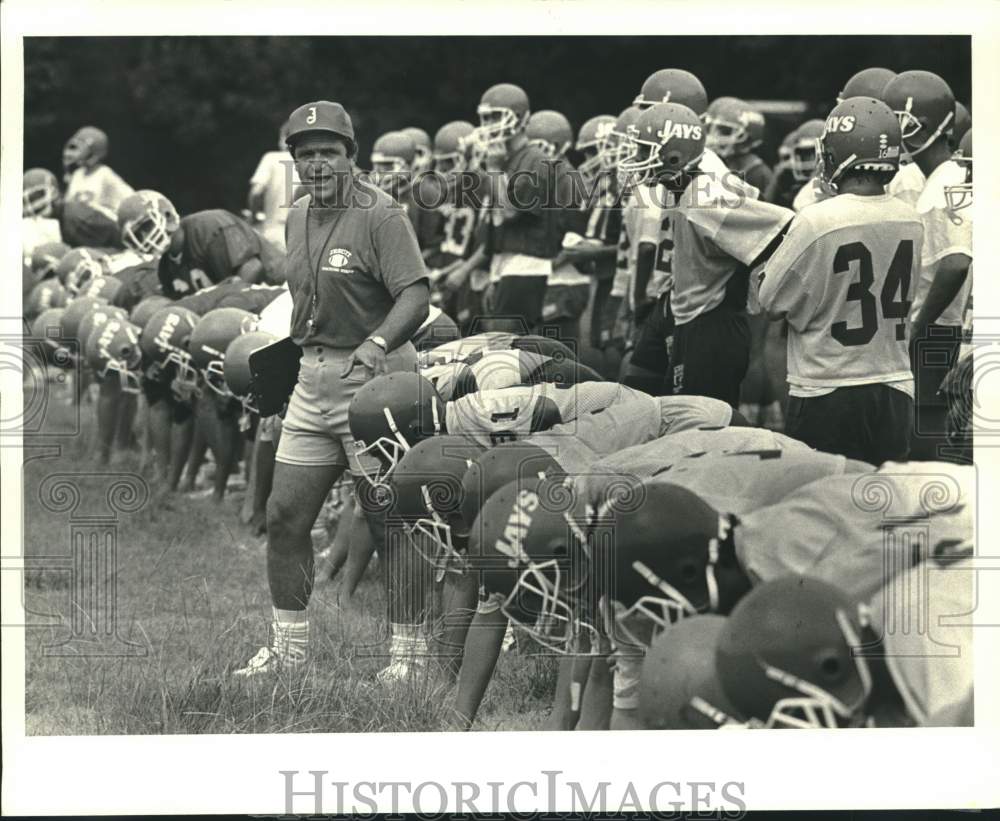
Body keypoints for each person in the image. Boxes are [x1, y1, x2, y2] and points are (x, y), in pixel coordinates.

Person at [235, 100, 430, 677]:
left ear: (352, 156)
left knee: (391, 517)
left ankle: (407, 659)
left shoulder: (382, 213)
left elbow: (415, 295)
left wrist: (375, 346)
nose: (318, 163)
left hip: (376, 380)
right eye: (307, 153)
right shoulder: (296, 214)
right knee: (286, 514)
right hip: (313, 376)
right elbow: (306, 299)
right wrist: (285, 370)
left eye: (330, 152)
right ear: (293, 160)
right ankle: (289, 653)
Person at [755, 97, 922, 465]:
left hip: (829, 386)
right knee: (882, 502)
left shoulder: (816, 219)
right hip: (894, 383)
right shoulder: (913, 219)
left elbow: (770, 302)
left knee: (825, 505)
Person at [883, 72, 972, 461]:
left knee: (926, 431)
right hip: (948, 325)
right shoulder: (944, 177)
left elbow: (955, 263)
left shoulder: (941, 186)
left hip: (940, 328)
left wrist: (919, 323)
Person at [473, 83, 565, 335]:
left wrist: (493, 169)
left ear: (521, 119)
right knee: (496, 345)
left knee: (504, 349)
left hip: (525, 265)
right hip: (506, 264)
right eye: (486, 117)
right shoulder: (508, 159)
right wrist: (495, 272)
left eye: (496, 116)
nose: (490, 124)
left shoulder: (534, 159)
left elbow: (510, 212)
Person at [61, 126, 134, 248]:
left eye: (81, 148)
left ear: (94, 152)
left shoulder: (105, 175)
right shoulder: (77, 175)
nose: (75, 153)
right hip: (81, 235)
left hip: (102, 235)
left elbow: (131, 200)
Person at [248, 119, 302, 252]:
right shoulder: (310, 163)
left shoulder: (271, 158)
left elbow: (256, 192)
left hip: (273, 231)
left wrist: (254, 216)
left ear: (284, 139)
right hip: (301, 236)